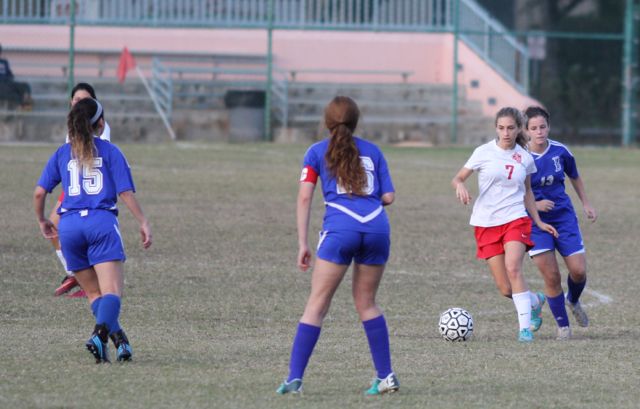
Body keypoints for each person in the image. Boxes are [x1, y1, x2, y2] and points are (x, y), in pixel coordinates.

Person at [277, 96, 399, 395]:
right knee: (367, 303)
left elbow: (305, 196)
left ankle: (295, 379)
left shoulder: (316, 151)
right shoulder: (373, 151)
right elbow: (389, 197)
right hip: (376, 227)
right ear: (356, 122)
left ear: (327, 122)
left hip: (340, 228)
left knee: (316, 305)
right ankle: (386, 376)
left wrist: (303, 243)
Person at [34, 98, 152, 363]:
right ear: (100, 123)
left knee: (94, 294)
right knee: (112, 293)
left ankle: (120, 342)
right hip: (101, 223)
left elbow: (40, 192)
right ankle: (99, 335)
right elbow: (125, 192)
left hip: (70, 227)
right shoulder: (110, 151)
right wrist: (143, 221)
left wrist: (43, 219)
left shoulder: (62, 153)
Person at [451, 107, 558, 343]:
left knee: (514, 268)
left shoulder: (525, 157)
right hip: (486, 222)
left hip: (515, 219)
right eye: (501, 128)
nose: (506, 133)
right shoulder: (483, 152)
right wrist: (460, 185)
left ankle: (524, 330)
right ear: (496, 129)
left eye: (510, 128)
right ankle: (535, 301)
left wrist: (537, 220)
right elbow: (458, 177)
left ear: (519, 128)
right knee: (505, 289)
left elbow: (528, 192)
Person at [524, 106, 597, 340]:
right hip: (534, 223)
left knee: (578, 270)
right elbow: (514, 190)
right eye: (533, 128)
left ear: (549, 127)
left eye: (542, 127)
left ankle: (573, 300)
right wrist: (536, 205)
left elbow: (574, 176)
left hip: (563, 217)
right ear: (526, 131)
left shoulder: (560, 151)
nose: (539, 132)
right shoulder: (521, 157)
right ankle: (563, 328)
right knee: (552, 276)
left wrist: (586, 203)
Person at [52, 83, 112, 298]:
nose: (79, 104)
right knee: (54, 226)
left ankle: (82, 276)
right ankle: (75, 273)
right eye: (76, 100)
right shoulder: (73, 126)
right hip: (74, 182)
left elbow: (97, 157)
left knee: (56, 224)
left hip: (86, 184)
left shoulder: (100, 128)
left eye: (84, 100)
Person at [0, 43, 32, 109]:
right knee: (15, 95)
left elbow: (10, 74)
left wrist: (9, 79)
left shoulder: (4, 62)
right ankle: (23, 107)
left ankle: (25, 103)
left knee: (25, 86)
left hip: (8, 83)